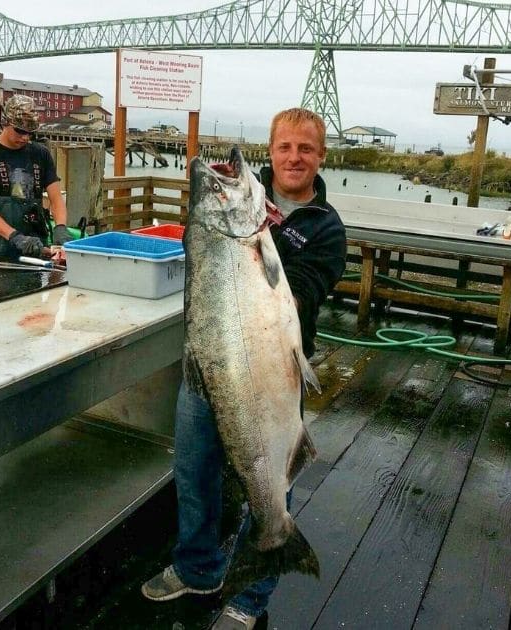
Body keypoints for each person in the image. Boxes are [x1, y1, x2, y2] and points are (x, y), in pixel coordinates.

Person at [142, 108, 347, 630]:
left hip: (272, 373)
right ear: (270, 153)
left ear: (321, 157)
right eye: (284, 147)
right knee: (193, 473)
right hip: (208, 366)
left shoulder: (325, 228)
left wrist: (257, 240)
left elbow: (297, 295)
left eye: (305, 148)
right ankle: (199, 567)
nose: (294, 157)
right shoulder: (239, 216)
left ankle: (255, 588)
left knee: (271, 473)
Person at [0, 94, 73, 259]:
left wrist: (60, 227)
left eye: (30, 132)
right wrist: (15, 237)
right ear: (5, 122)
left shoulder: (40, 154)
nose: (25, 137)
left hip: (36, 246)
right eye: (20, 131)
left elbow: (56, 198)